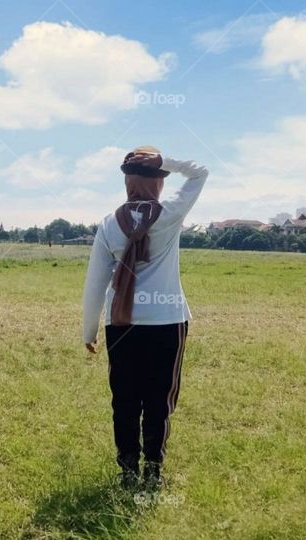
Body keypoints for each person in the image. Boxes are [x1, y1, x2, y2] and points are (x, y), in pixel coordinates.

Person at [82, 146, 209, 489]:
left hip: (120, 325)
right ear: (157, 183)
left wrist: (88, 330)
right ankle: (154, 471)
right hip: (167, 322)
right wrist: (165, 161)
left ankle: (127, 473)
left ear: (128, 182)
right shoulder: (170, 214)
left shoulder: (110, 224)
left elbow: (95, 281)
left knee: (124, 400)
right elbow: (200, 171)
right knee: (160, 399)